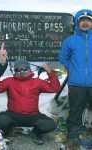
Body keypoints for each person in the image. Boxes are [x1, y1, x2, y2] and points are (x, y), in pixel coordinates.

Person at [0, 59, 60, 145]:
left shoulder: (37, 82)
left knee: (51, 125)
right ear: (14, 71)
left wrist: (50, 73)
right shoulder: (10, 81)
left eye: (24, 69)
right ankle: (9, 130)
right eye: (18, 70)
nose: (21, 72)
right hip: (13, 115)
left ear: (29, 69)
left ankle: (35, 132)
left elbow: (55, 88)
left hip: (33, 116)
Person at [59, 9, 92, 149]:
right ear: (78, 23)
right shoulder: (70, 40)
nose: (85, 23)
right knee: (75, 112)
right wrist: (71, 69)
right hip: (76, 84)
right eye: (82, 20)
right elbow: (63, 57)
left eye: (88, 20)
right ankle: (73, 139)